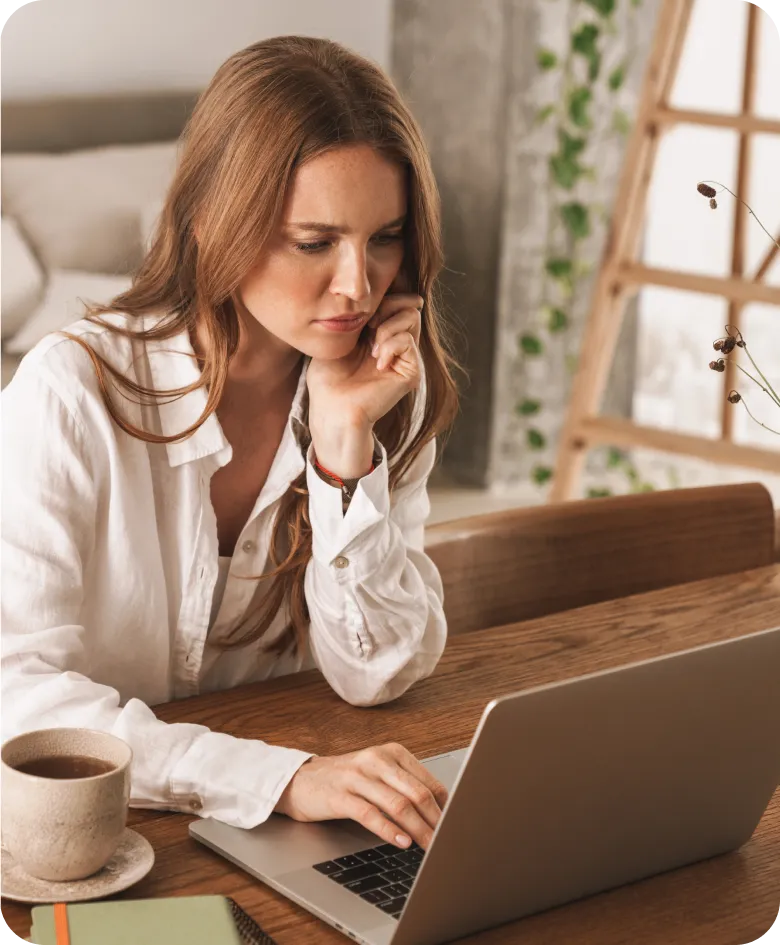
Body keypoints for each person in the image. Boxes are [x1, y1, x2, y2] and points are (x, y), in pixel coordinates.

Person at [1, 35, 464, 852]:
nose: (359, 285)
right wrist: (278, 778)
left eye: (385, 238)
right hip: (86, 838)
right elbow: (17, 696)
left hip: (286, 829)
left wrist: (342, 450)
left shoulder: (383, 393)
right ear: (216, 224)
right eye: (315, 242)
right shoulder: (69, 392)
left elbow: (380, 672)